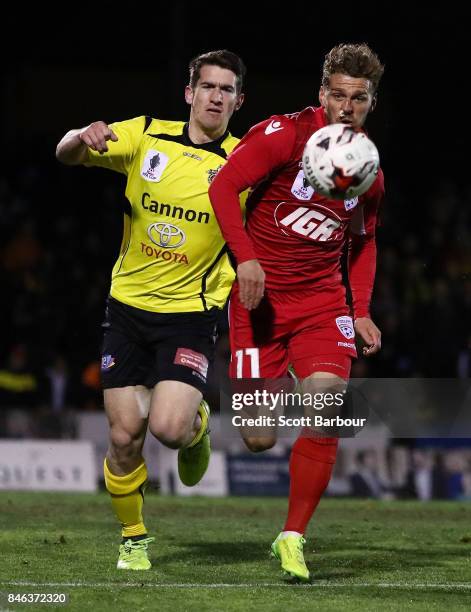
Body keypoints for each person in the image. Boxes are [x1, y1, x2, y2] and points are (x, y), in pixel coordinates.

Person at [56, 50, 246, 570]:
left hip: (191, 312)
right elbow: (65, 153)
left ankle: (196, 424)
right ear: (189, 93)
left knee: (166, 427)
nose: (215, 96)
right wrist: (82, 134)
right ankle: (134, 536)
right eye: (207, 86)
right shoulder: (144, 135)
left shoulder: (243, 163)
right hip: (127, 309)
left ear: (238, 100)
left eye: (226, 89)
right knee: (123, 435)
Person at [209, 43, 384, 581]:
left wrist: (360, 311)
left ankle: (292, 537)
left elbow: (364, 241)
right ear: (322, 95)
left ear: (370, 103)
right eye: (338, 95)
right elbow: (223, 187)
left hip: (320, 304)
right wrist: (247, 261)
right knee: (259, 436)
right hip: (259, 305)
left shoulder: (369, 171)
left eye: (358, 98)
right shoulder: (284, 135)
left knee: (327, 406)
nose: (346, 106)